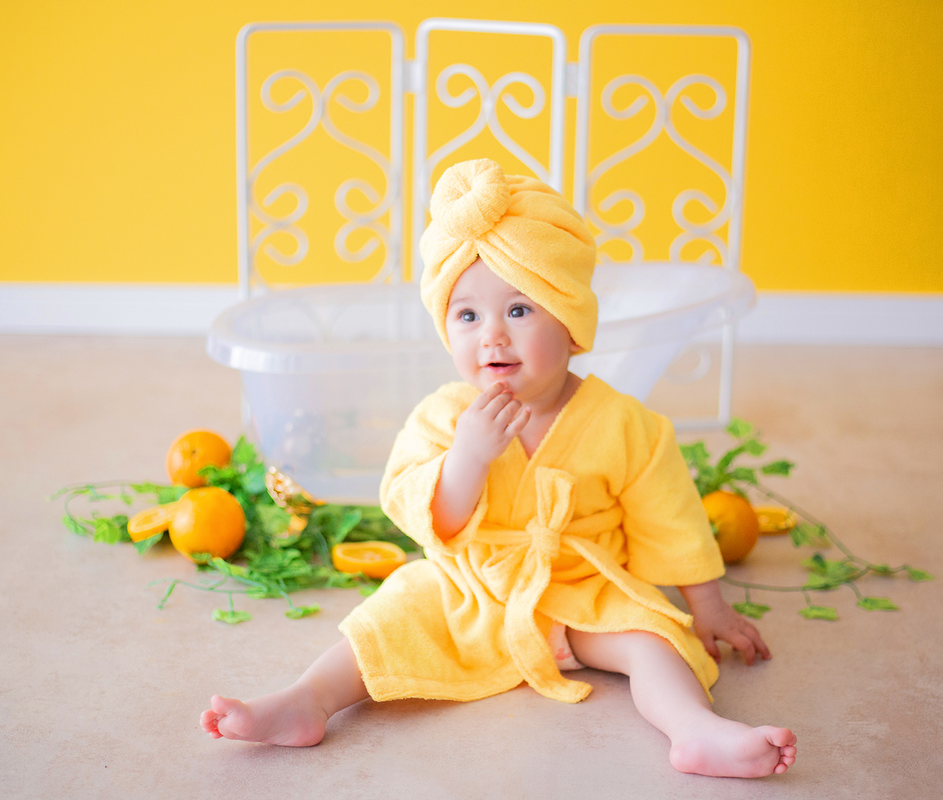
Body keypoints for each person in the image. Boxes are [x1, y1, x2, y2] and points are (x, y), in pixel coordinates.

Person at [201, 159, 797, 778]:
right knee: (389, 618)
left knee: (655, 641)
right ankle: (306, 701)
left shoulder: (625, 424)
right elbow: (428, 517)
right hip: (472, 586)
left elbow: (670, 521)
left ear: (570, 323)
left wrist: (709, 609)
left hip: (580, 589)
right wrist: (468, 458)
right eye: (467, 315)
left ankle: (693, 730)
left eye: (518, 311)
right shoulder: (443, 417)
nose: (492, 337)